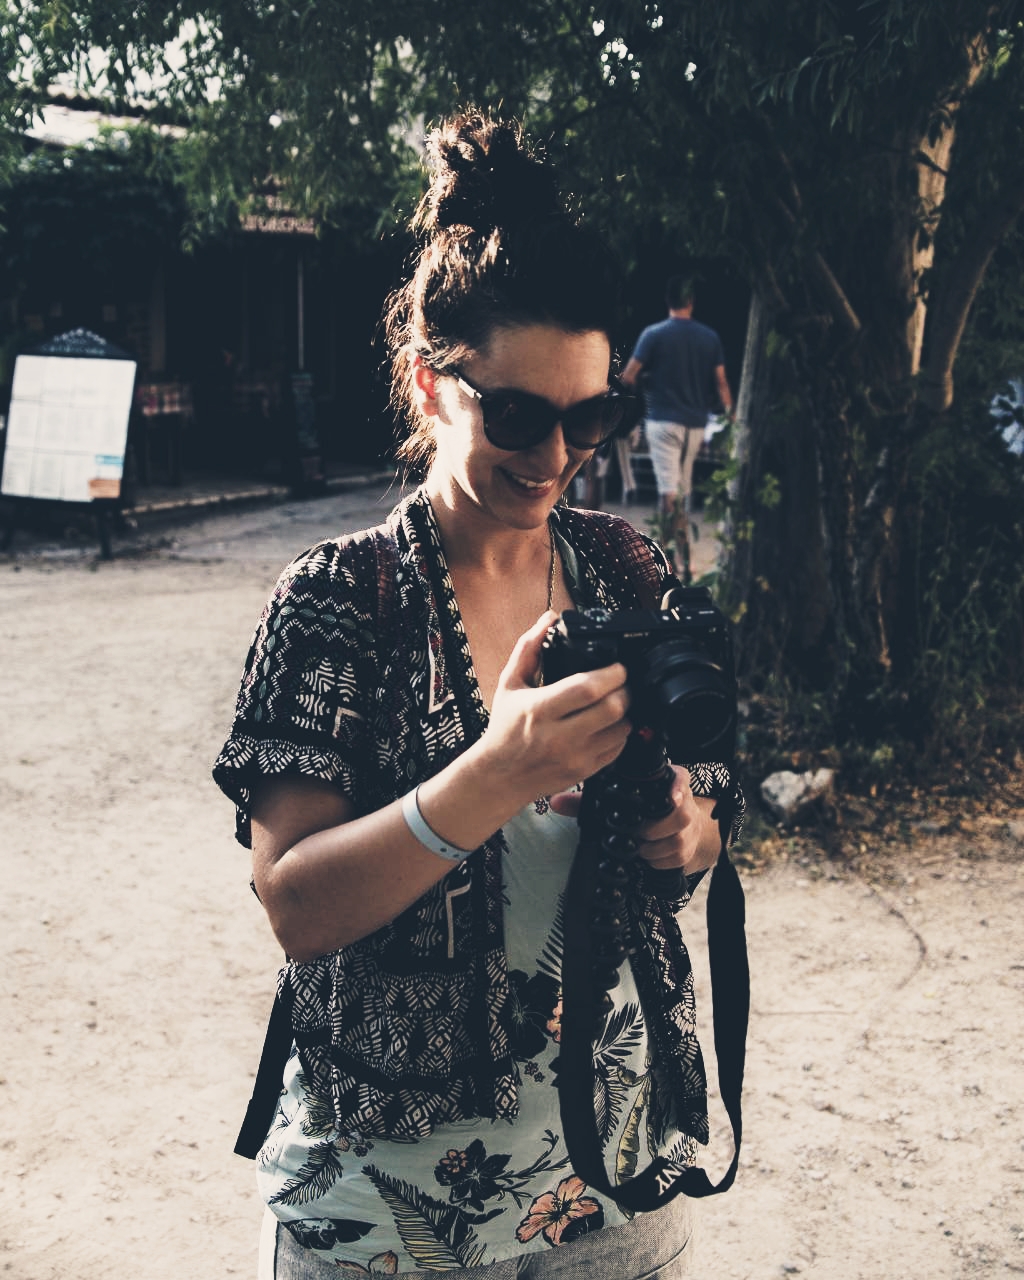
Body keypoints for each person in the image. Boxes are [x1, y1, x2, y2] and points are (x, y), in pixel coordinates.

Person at [214, 111, 743, 1279]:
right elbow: (294, 904)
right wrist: (496, 773)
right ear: (428, 383)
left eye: (589, 416)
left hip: (615, 1175)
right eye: (516, 414)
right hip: (381, 1206)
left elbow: (702, 812)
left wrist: (686, 830)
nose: (556, 456)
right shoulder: (336, 601)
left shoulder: (626, 570)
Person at [620, 278, 733, 573]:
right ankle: (677, 557)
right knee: (679, 491)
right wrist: (731, 419)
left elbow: (629, 376)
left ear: (667, 301)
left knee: (669, 493)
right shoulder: (709, 337)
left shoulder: (653, 334)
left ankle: (669, 559)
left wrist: (643, 383)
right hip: (695, 424)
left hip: (663, 420)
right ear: (691, 302)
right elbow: (721, 383)